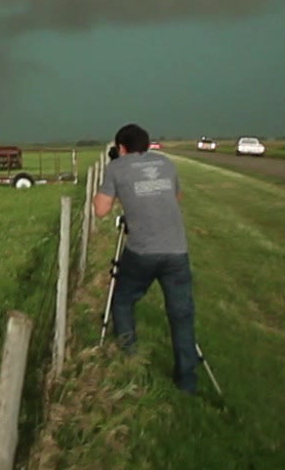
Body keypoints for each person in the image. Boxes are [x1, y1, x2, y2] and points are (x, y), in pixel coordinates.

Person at [95, 123, 200, 393]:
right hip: (177, 250)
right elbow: (176, 197)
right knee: (181, 315)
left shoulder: (116, 167)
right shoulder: (165, 163)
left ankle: (129, 359)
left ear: (121, 147)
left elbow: (100, 210)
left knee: (123, 300)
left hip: (142, 251)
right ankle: (187, 381)